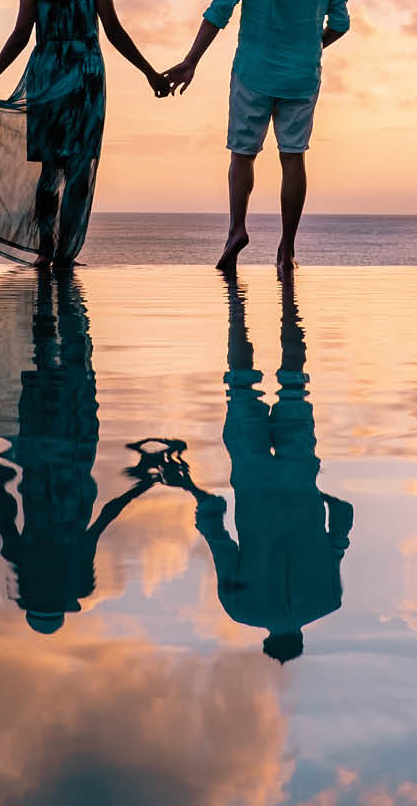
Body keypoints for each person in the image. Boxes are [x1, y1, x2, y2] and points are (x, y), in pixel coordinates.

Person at [147, 270, 353, 663]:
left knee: (294, 383)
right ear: (267, 641)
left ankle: (288, 300)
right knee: (241, 386)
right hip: (252, 476)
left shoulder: (329, 600)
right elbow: (215, 530)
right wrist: (189, 486)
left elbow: (342, 516)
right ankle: (236, 308)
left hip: (298, 472)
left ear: (301, 640)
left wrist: (313, 492)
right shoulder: (242, 611)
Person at [0, 270, 161, 631]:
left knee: (74, 361)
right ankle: (49, 292)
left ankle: (53, 292)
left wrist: (143, 480)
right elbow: (1, 492)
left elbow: (107, 515)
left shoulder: (70, 556)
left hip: (76, 448)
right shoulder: (23, 554)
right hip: (34, 448)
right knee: (44, 365)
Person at [164, 0, 350, 271]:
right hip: (301, 76)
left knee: (242, 154)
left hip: (252, 71)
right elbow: (342, 22)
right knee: (293, 157)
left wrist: (191, 60)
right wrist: (311, 45)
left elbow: (219, 10)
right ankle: (286, 249)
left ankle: (236, 229)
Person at [0, 0, 168, 266]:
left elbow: (19, 37)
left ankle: (46, 250)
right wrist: (149, 72)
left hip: (46, 73)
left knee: (49, 168)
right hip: (87, 74)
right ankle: (65, 253)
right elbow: (115, 32)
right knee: (79, 169)